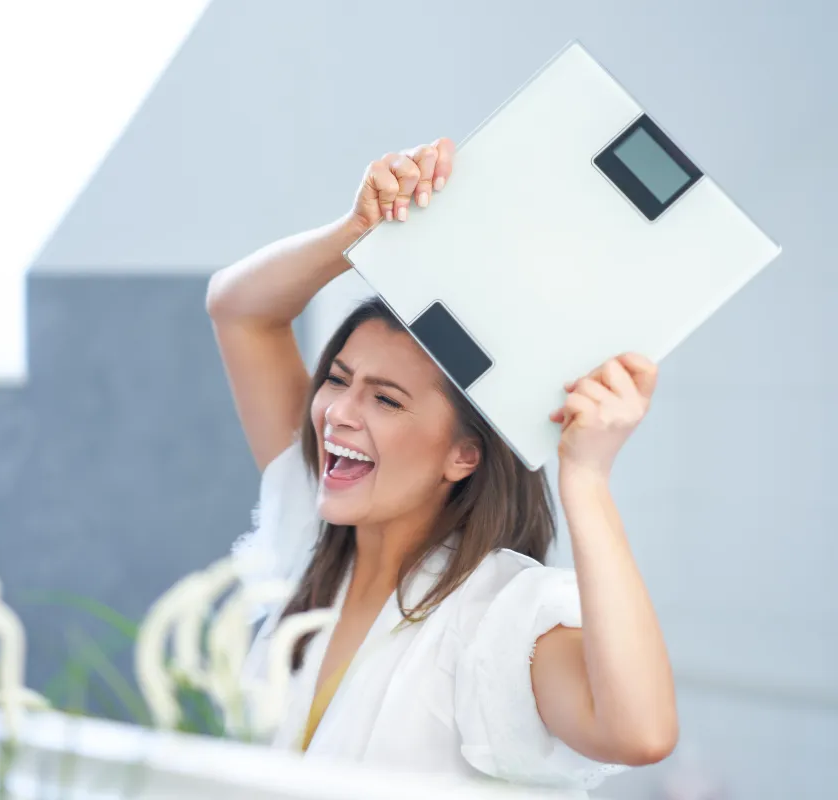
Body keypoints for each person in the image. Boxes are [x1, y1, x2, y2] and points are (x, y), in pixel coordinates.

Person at [206, 138, 677, 796]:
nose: (337, 412)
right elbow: (238, 307)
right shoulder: (312, 540)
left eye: (385, 399)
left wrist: (588, 479)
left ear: (464, 455)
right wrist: (356, 233)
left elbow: (640, 734)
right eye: (338, 379)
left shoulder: (500, 617)